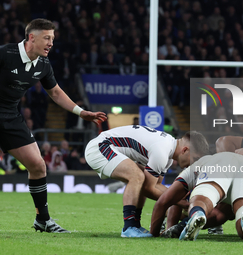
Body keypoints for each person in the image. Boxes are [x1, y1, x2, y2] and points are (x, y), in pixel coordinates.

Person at [0, 18, 107, 233]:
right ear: (31, 37)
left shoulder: (43, 65)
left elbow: (56, 93)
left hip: (10, 117)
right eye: (47, 38)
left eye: (53, 39)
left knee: (38, 166)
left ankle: (43, 220)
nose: (51, 43)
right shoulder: (5, 54)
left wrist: (81, 112)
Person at [84, 125, 209, 238]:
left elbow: (156, 185)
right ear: (185, 150)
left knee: (142, 178)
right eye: (195, 158)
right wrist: (181, 203)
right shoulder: (162, 151)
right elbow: (148, 189)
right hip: (100, 147)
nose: (194, 164)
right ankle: (129, 227)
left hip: (107, 146)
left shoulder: (167, 152)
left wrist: (180, 196)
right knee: (137, 176)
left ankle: (135, 225)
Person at [177, 152, 243, 242]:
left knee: (204, 198)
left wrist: (173, 225)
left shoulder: (192, 170)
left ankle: (197, 212)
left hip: (223, 166)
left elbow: (166, 199)